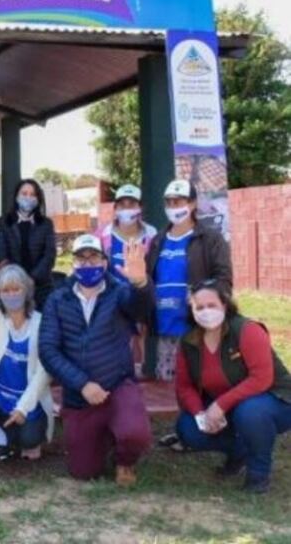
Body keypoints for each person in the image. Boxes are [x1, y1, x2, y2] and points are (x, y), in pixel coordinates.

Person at [39, 234, 153, 486]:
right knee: (83, 471)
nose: (88, 264)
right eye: (82, 258)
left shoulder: (120, 292)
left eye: (94, 258)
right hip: (81, 395)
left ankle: (125, 459)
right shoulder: (57, 300)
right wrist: (82, 384)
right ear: (73, 264)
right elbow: (48, 350)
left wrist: (141, 283)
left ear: (104, 262)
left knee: (135, 433)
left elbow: (142, 308)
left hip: (118, 384)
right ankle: (106, 437)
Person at [175, 280, 291, 494]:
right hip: (228, 407)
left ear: (225, 305)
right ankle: (239, 451)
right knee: (188, 428)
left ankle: (258, 475)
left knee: (251, 413)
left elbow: (261, 378)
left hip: (275, 399)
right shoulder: (188, 341)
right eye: (199, 307)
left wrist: (220, 405)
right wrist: (201, 414)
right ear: (191, 311)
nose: (206, 312)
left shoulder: (248, 330)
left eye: (212, 305)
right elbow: (184, 386)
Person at [145, 179, 232, 382]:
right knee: (167, 388)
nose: (173, 207)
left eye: (179, 201)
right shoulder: (158, 241)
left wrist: (202, 297)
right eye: (169, 202)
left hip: (198, 327)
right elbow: (149, 278)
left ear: (192, 204)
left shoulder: (210, 238)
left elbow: (224, 279)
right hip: (165, 328)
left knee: (201, 383)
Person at [0, 264, 54, 464]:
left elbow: (44, 373)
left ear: (27, 291)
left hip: (28, 397)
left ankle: (3, 438)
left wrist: (23, 408)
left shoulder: (41, 323)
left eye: (16, 289)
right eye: (5, 290)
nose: (11, 295)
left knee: (30, 439)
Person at [95, 184, 158, 374]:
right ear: (115, 209)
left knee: (141, 341)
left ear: (140, 208)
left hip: (141, 298)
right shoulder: (102, 235)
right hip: (112, 301)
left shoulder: (152, 235)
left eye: (132, 204)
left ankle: (142, 372)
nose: (127, 209)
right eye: (122, 205)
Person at [0, 179, 56, 310]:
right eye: (24, 193)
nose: (28, 197)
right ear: (16, 197)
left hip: (41, 288)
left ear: (38, 199)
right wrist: (18, 281)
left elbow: (49, 255)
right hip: (11, 287)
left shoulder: (46, 224)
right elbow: (0, 256)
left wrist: (31, 279)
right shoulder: (3, 223)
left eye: (33, 194)